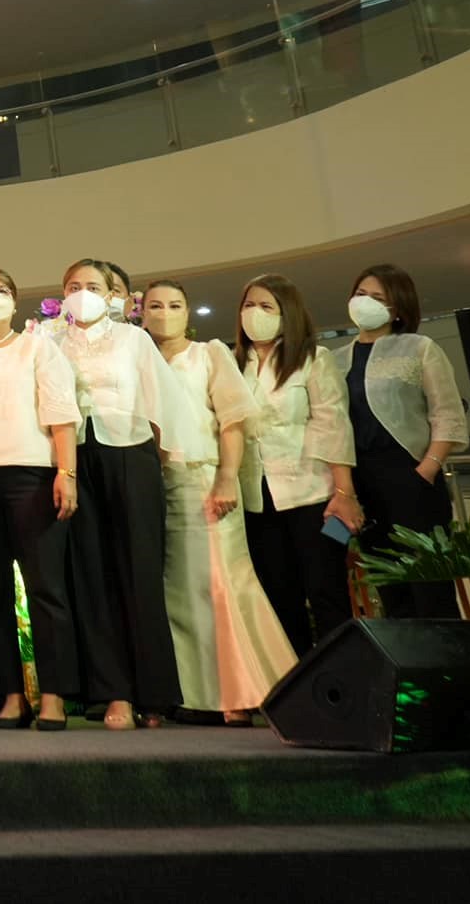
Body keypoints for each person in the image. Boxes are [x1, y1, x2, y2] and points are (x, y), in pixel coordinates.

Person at [141, 280, 295, 723]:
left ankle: (239, 694)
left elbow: (233, 421)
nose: (164, 312)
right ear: (142, 312)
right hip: (156, 485)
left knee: (221, 582)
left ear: (188, 312)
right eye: (155, 305)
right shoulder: (139, 357)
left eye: (174, 304)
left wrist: (227, 477)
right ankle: (191, 693)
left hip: (203, 477)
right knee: (178, 592)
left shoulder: (208, 354)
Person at [51, 259, 190, 729]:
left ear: (112, 294)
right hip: (74, 461)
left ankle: (154, 694)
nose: (82, 293)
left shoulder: (133, 339)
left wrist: (158, 460)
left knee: (140, 573)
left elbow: (162, 402)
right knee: (91, 576)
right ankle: (113, 695)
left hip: (130, 454)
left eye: (92, 286)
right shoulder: (49, 341)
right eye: (74, 286)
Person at [0, 265, 80, 731]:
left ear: (15, 299)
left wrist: (65, 473)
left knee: (46, 588)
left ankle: (53, 696)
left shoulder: (36, 346)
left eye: (2, 291)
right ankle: (9, 697)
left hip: (32, 475)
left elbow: (60, 414)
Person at [236, 274, 361, 656]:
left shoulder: (312, 359)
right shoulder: (234, 363)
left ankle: (343, 680)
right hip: (257, 498)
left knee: (325, 591)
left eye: (265, 306)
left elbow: (333, 423)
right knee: (278, 595)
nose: (254, 313)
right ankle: (296, 687)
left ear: (286, 313)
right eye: (248, 305)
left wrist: (344, 492)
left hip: (313, 495)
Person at [335, 265, 469, 619]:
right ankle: (407, 669)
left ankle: (450, 669)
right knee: (388, 584)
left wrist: (426, 469)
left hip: (411, 472)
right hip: (361, 478)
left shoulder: (419, 347)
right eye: (361, 294)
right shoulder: (334, 359)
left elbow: (447, 412)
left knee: (431, 585)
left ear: (398, 308)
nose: (365, 303)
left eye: (377, 298)